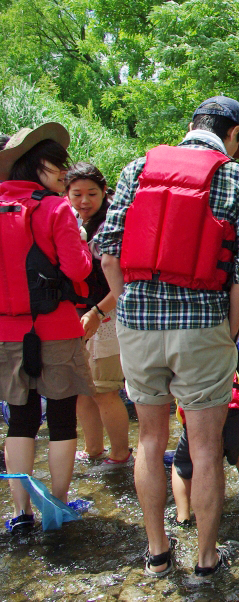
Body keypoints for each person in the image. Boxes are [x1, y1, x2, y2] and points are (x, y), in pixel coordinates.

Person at [97, 96, 239, 576]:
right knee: (207, 447)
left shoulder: (136, 170)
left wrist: (128, 308)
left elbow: (109, 252)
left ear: (191, 126)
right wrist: (228, 334)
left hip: (137, 326)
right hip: (203, 327)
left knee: (150, 440)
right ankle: (207, 559)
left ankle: (156, 554)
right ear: (233, 134)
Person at [0, 123, 94, 533]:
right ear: (39, 163)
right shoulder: (55, 208)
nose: (63, 173)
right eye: (59, 165)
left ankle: (20, 511)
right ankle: (57, 505)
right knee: (60, 418)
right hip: (56, 327)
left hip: (6, 331)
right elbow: (78, 268)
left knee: (19, 420)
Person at [66, 163, 132, 468]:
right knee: (82, 390)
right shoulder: (73, 223)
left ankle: (120, 454)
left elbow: (123, 277)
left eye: (91, 193)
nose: (84, 201)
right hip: (80, 316)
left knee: (104, 390)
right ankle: (93, 449)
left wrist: (98, 311)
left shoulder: (111, 225)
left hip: (107, 316)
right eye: (76, 194)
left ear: (104, 192)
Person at [171, 372, 239, 527]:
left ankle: (183, 517)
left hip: (200, 413)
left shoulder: (181, 364)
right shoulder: (227, 360)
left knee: (181, 464)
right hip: (236, 411)